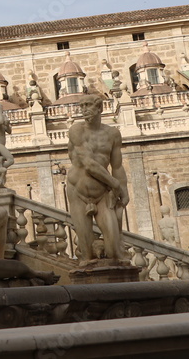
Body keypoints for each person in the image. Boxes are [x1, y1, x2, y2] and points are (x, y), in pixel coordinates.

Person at [65, 95, 129, 263]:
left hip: (102, 193)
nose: (84, 109)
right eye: (82, 106)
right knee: (87, 255)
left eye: (88, 105)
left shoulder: (113, 134)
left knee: (114, 248)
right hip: (78, 192)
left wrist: (124, 189)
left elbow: (117, 166)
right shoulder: (76, 130)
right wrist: (115, 184)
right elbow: (88, 164)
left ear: (100, 108)